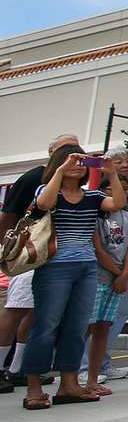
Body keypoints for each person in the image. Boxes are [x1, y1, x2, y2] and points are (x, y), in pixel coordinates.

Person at [18, 146, 125, 409]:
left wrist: (111, 174)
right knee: (46, 326)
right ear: (58, 163)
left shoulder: (92, 196)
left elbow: (118, 204)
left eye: (82, 161)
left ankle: (69, 385)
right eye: (72, 160)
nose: (78, 165)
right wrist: (61, 171)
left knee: (77, 327)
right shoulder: (48, 192)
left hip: (86, 267)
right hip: (54, 266)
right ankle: (34, 388)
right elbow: (43, 205)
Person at [0, 133, 78, 390]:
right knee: (15, 309)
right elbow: (8, 214)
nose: (72, 154)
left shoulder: (74, 185)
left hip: (53, 257)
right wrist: (7, 249)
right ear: (52, 152)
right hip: (29, 251)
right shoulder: (36, 177)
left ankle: (17, 368)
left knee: (33, 313)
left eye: (76, 149)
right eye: (65, 149)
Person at [87, 147, 128, 382]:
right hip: (102, 268)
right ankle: (85, 368)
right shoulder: (97, 198)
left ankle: (102, 363)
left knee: (115, 316)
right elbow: (99, 243)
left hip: (127, 263)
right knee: (91, 320)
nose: (125, 164)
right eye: (118, 161)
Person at [84, 189, 128, 396]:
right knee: (86, 326)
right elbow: (98, 250)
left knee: (103, 327)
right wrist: (118, 274)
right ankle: (76, 373)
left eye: (122, 190)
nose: (116, 195)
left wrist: (124, 274)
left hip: (118, 279)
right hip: (99, 277)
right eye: (110, 191)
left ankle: (93, 379)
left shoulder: (127, 217)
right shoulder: (94, 216)